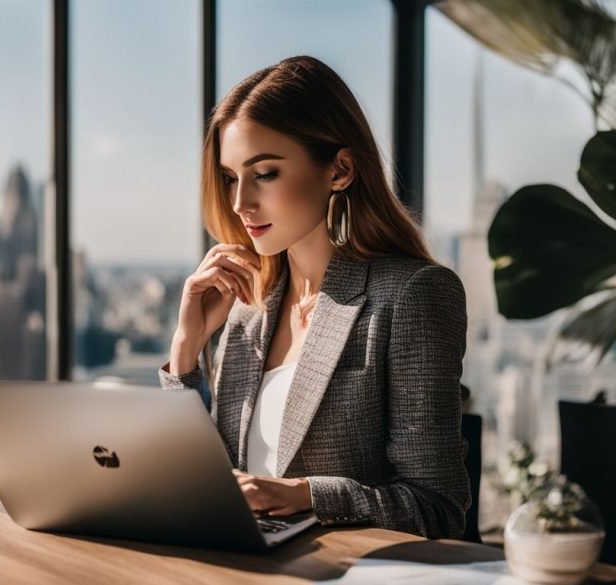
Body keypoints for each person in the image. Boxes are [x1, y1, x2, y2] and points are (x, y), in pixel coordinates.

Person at [159, 55, 470, 540]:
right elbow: (207, 482)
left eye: (264, 173)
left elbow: (437, 509)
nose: (240, 202)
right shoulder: (247, 308)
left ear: (340, 170)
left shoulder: (411, 296)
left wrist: (304, 495)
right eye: (229, 177)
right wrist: (186, 348)